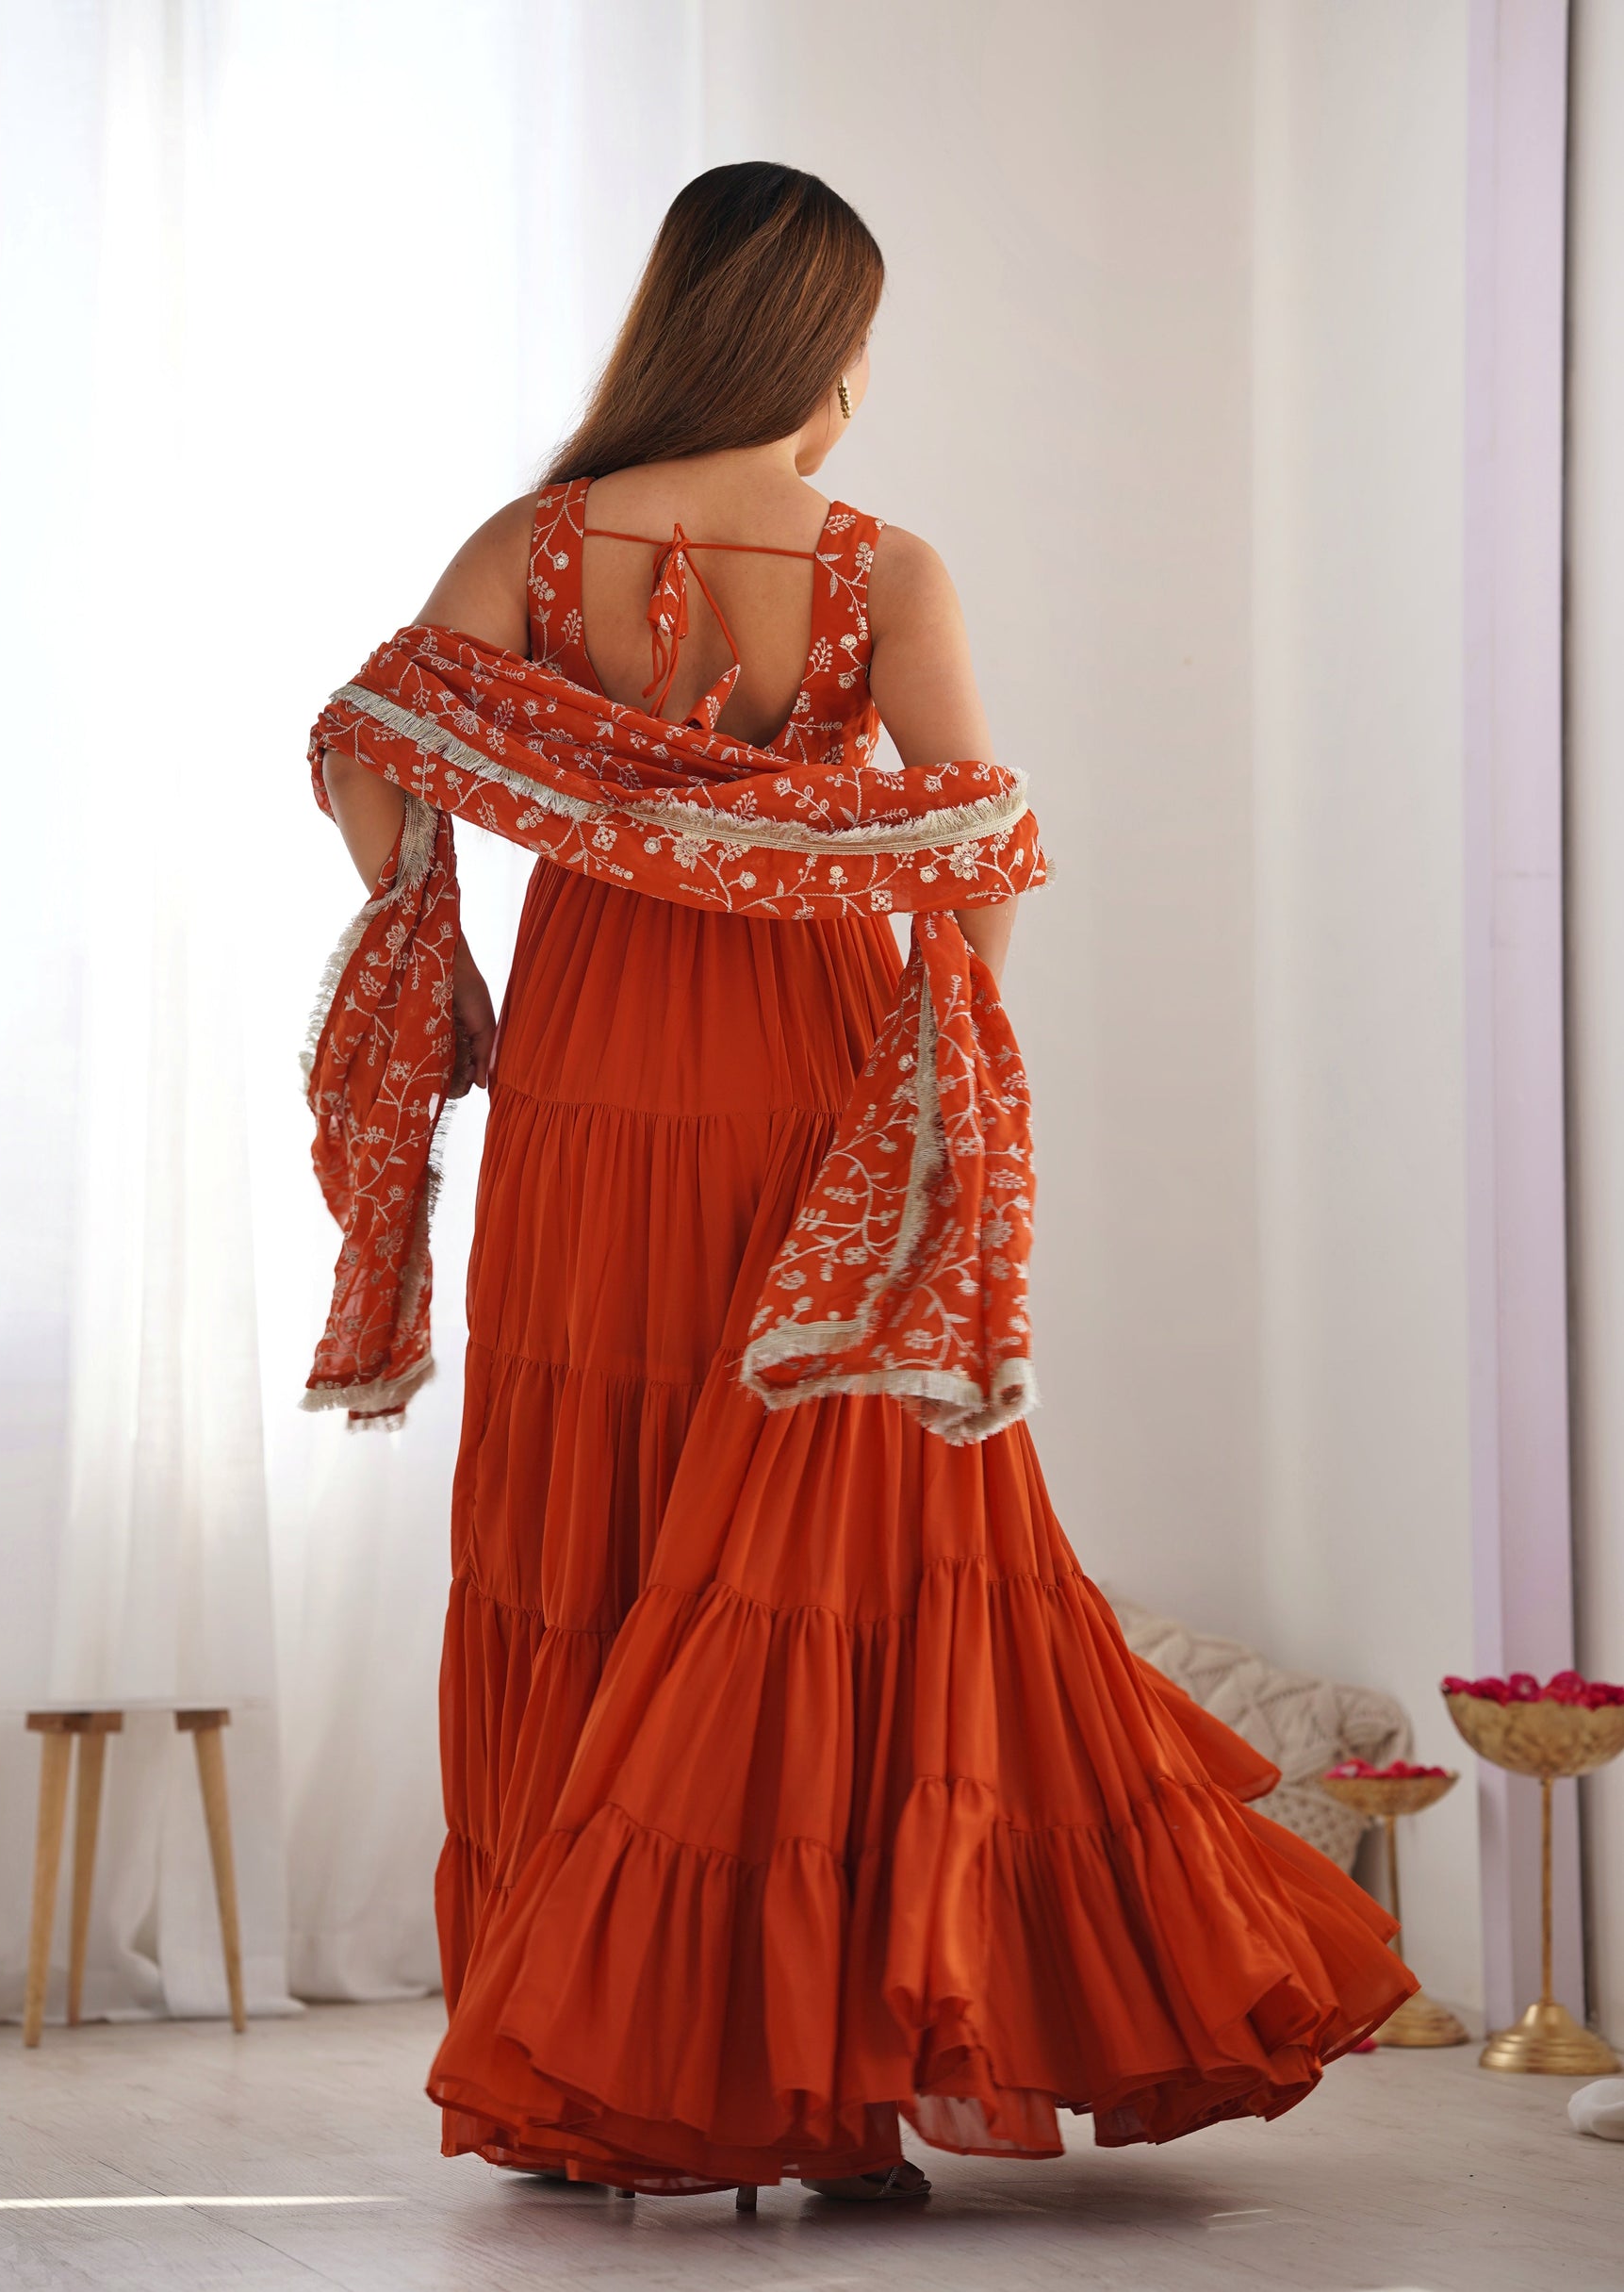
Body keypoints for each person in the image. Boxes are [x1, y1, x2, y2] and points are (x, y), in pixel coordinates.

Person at [316, 160, 1414, 2210]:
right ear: (823, 341)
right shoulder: (876, 567)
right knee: (848, 1549)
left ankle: (592, 2061)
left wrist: (432, 952)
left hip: (584, 1081)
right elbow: (976, 843)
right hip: (818, 1083)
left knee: (595, 1525)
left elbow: (368, 741)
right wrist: (936, 1059)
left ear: (672, 319)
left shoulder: (530, 546)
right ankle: (830, 2077)